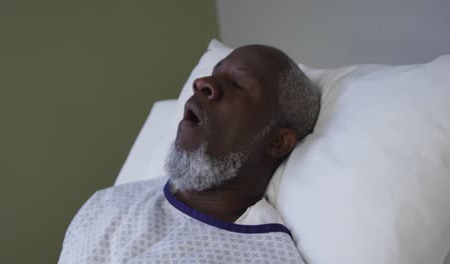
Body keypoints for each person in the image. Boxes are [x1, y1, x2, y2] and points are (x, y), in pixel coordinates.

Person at [58, 44, 320, 264]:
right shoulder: (106, 204)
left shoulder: (263, 257)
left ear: (277, 142)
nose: (202, 83)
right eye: (213, 74)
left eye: (239, 84)